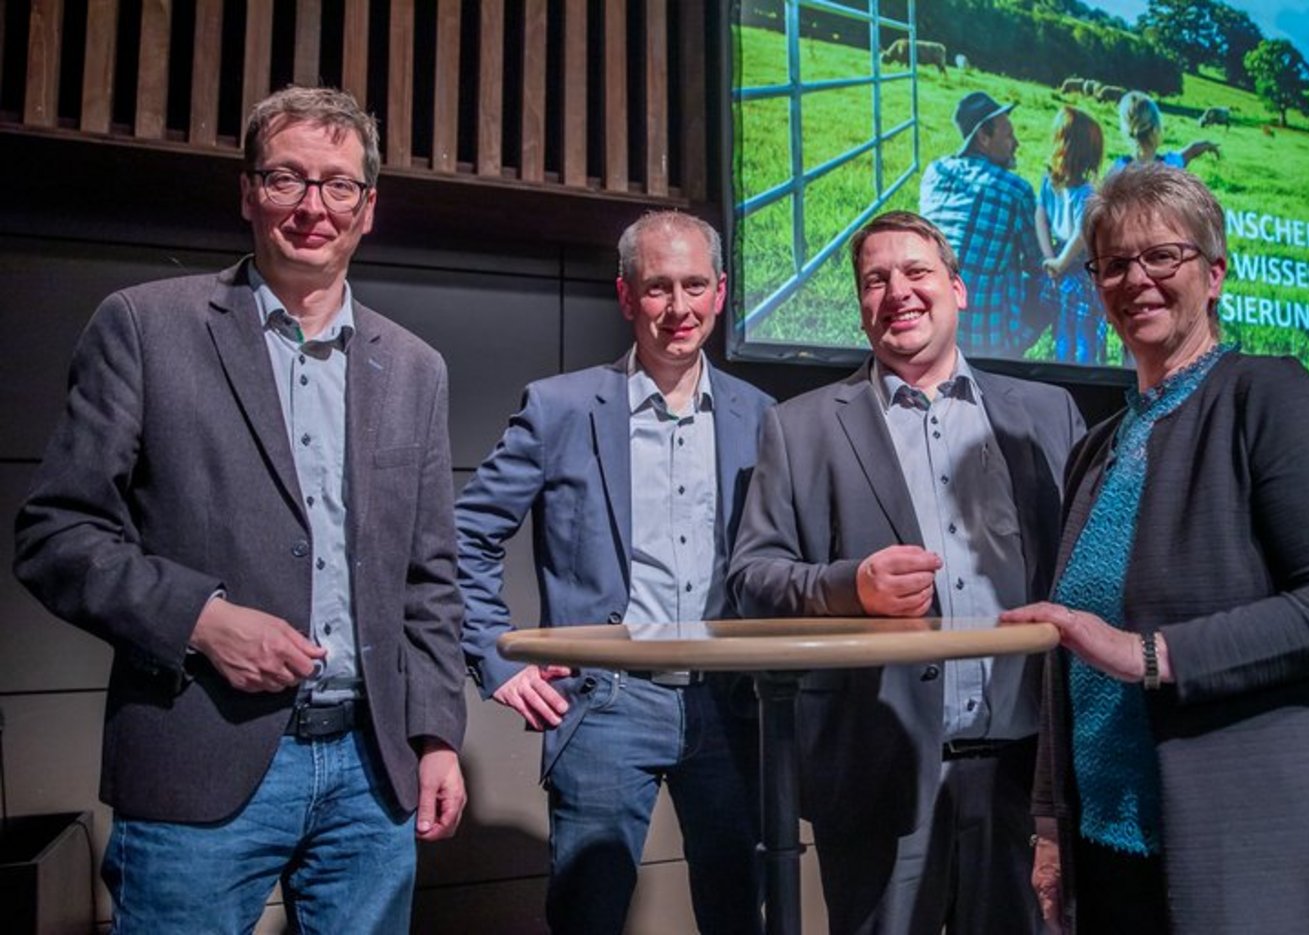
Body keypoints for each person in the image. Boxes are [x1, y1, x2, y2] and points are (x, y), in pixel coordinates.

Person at [12, 86, 467, 932]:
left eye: (337, 185)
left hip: (374, 772)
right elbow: (56, 534)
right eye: (288, 178)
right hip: (198, 757)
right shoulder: (146, 328)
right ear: (248, 191)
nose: (312, 207)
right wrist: (203, 618)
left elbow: (428, 578)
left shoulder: (415, 367)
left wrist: (436, 734)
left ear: (369, 208)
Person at [1001, 163, 1309, 934]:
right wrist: (1050, 821)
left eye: (1161, 257)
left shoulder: (1270, 396)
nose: (1134, 279)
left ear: (1213, 274)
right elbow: (1069, 657)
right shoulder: (1103, 443)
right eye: (1112, 263)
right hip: (1108, 843)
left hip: (1243, 848)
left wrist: (1152, 654)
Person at [728, 210, 1083, 934]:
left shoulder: (1047, 415)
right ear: (860, 304)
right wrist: (848, 586)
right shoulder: (799, 427)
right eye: (875, 280)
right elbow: (751, 574)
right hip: (876, 779)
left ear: (958, 289)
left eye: (916, 273)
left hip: (1028, 778)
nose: (898, 292)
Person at [456, 210, 771, 935]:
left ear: (722, 293)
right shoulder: (560, 407)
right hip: (604, 703)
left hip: (731, 706)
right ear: (627, 297)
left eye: (695, 285)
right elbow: (462, 537)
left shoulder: (762, 417)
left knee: (739, 917)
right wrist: (495, 659)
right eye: (658, 287)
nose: (679, 308)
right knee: (588, 918)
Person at [919, 91, 1051, 357]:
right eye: (1008, 135)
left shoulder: (935, 172)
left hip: (929, 335)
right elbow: (1038, 263)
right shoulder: (1014, 189)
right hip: (987, 344)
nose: (1017, 143)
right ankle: (1015, 348)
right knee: (1053, 280)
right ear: (983, 137)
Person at [1035, 106, 1105, 365]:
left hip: (1059, 261)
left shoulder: (1048, 180)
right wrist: (1059, 261)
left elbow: (1040, 217)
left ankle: (1065, 363)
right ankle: (1082, 371)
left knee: (1064, 325)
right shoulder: (1086, 192)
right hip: (1078, 268)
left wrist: (1049, 258)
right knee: (1082, 331)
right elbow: (1082, 235)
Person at [1109, 91, 1219, 173]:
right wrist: (1208, 145)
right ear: (1157, 129)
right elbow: (1192, 150)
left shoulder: (1118, 169)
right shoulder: (1170, 166)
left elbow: (1099, 200)